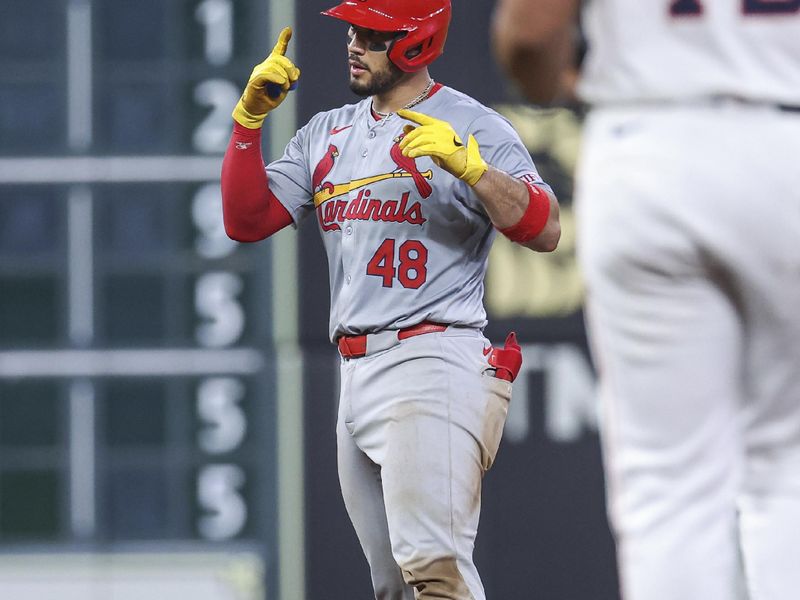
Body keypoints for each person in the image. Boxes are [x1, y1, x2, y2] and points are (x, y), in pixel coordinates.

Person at [221, 0, 560, 597]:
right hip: (355, 370)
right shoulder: (328, 131)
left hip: (431, 361)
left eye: (373, 35)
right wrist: (248, 122)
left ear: (416, 43)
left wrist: (474, 170)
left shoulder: (472, 125)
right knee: (393, 587)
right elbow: (247, 219)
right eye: (354, 29)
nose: (353, 43)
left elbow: (546, 229)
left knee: (435, 569)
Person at [491, 1, 800, 599]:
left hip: (648, 143)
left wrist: (554, 78)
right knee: (790, 467)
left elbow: (530, 34)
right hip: (788, 135)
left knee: (670, 488)